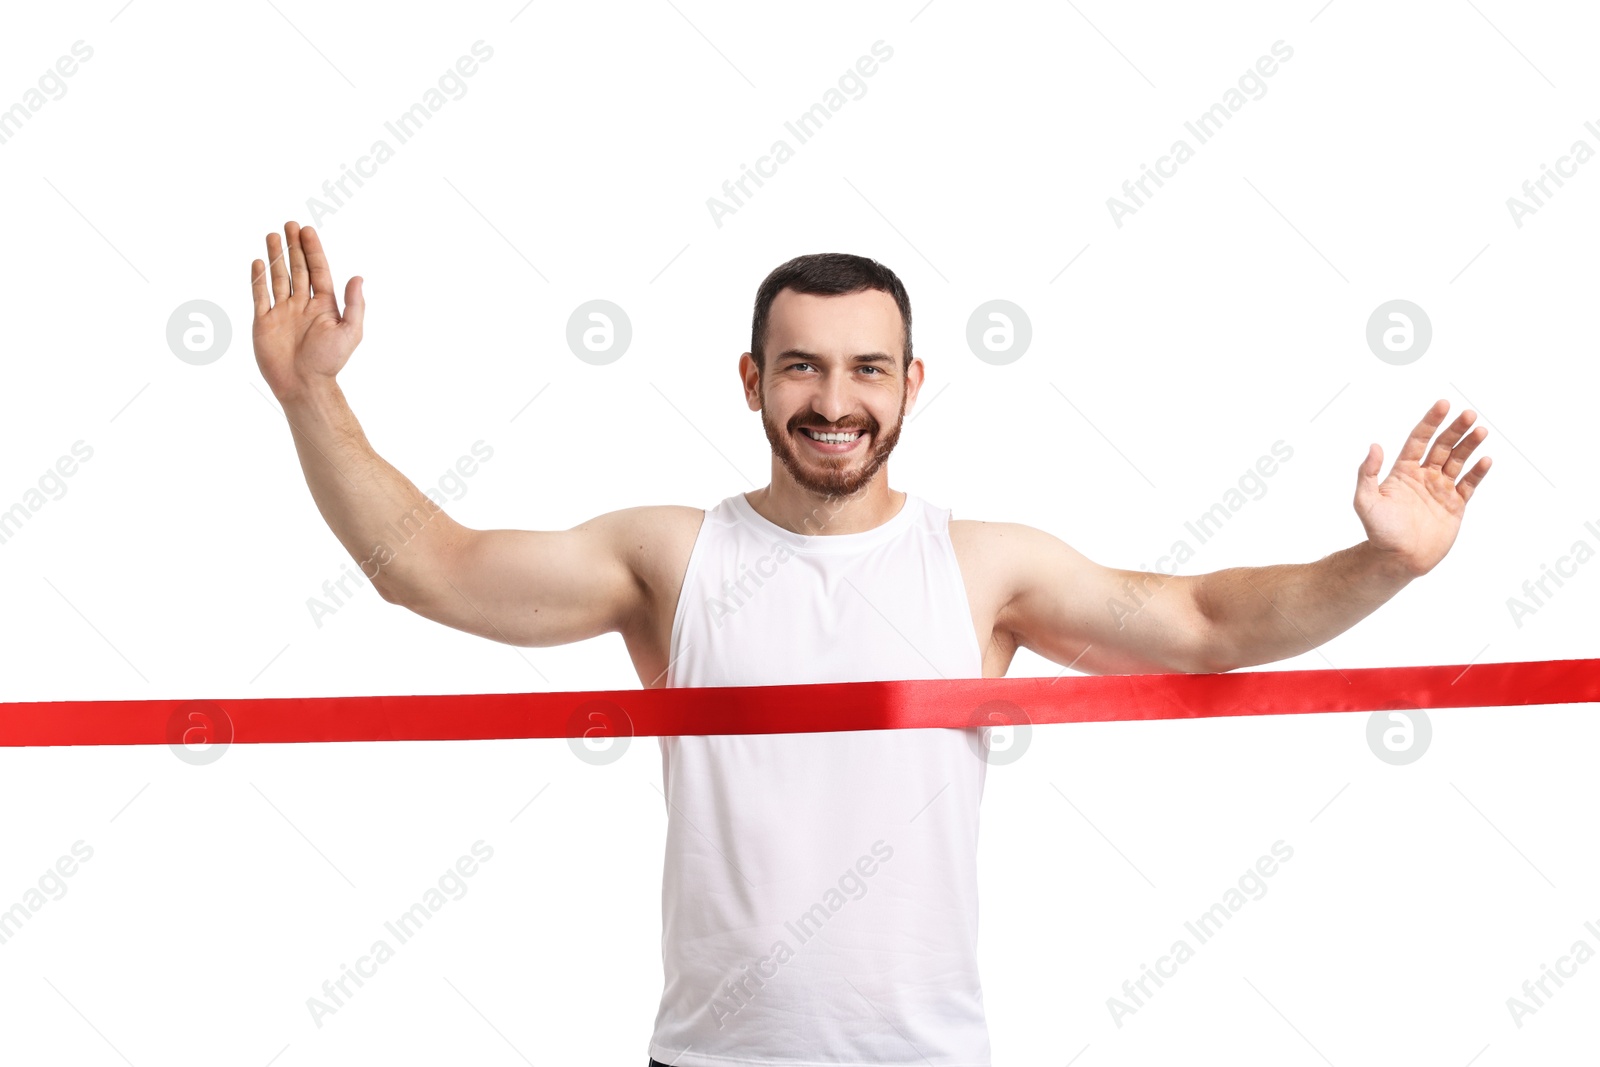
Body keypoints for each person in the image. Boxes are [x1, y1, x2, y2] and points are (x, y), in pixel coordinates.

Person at [249, 221, 1491, 1066]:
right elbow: (431, 568)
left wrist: (1379, 562)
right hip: (710, 1055)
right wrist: (313, 395)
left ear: (909, 383)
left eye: (864, 370)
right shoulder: (669, 558)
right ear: (749, 379)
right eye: (800, 367)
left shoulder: (981, 566)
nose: (832, 402)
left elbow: (1203, 623)